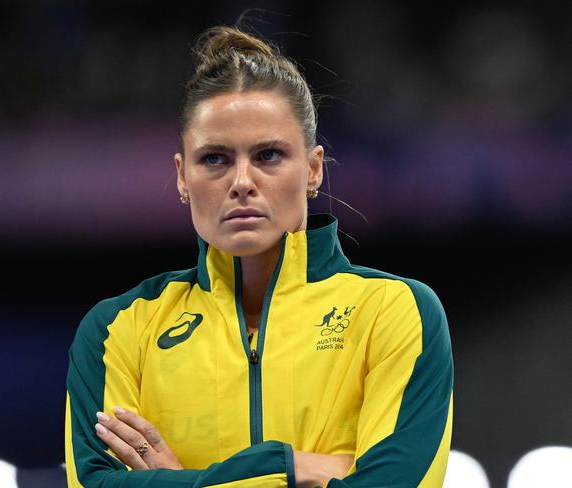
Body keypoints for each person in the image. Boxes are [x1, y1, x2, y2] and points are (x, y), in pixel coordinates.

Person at [64, 24, 453, 488]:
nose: (242, 181)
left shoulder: (397, 312)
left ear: (312, 169)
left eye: (268, 155)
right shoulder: (118, 331)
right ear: (182, 176)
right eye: (215, 159)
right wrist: (292, 469)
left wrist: (184, 481)